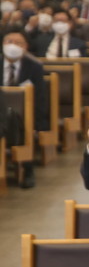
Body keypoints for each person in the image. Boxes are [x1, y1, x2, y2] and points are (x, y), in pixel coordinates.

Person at [2, 29, 47, 187]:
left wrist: (38, 126)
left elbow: (40, 99)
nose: (13, 45)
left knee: (16, 123)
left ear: (26, 46)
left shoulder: (34, 66)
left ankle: (28, 170)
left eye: (18, 42)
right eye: (9, 41)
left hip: (22, 118)